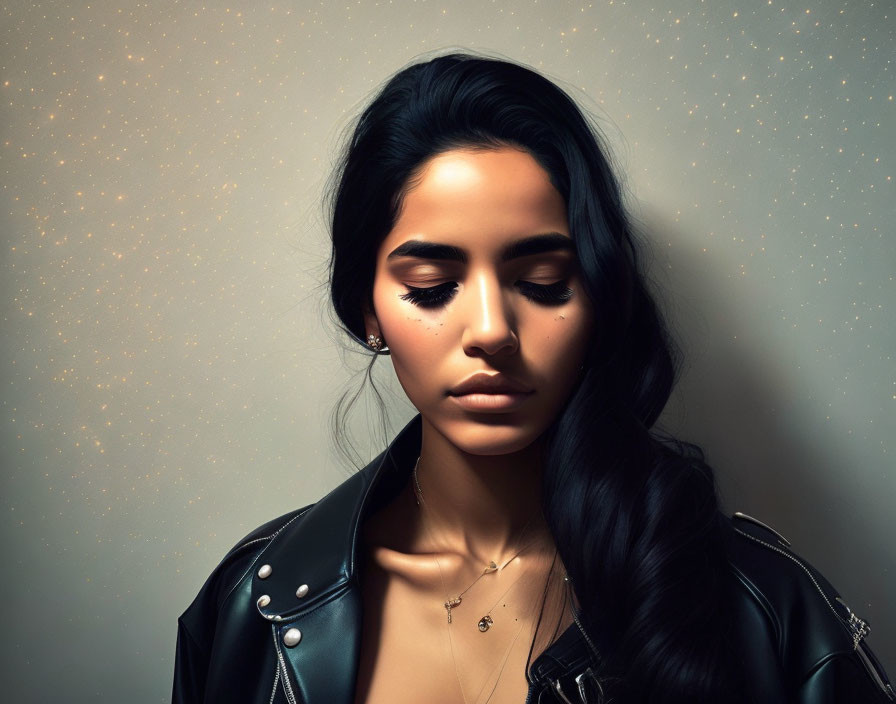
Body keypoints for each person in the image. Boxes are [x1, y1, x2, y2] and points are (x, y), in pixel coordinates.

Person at [171, 52, 893, 704]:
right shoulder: (252, 605)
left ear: (599, 299)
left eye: (543, 281)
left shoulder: (763, 607)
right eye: (431, 286)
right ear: (369, 309)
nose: (491, 330)